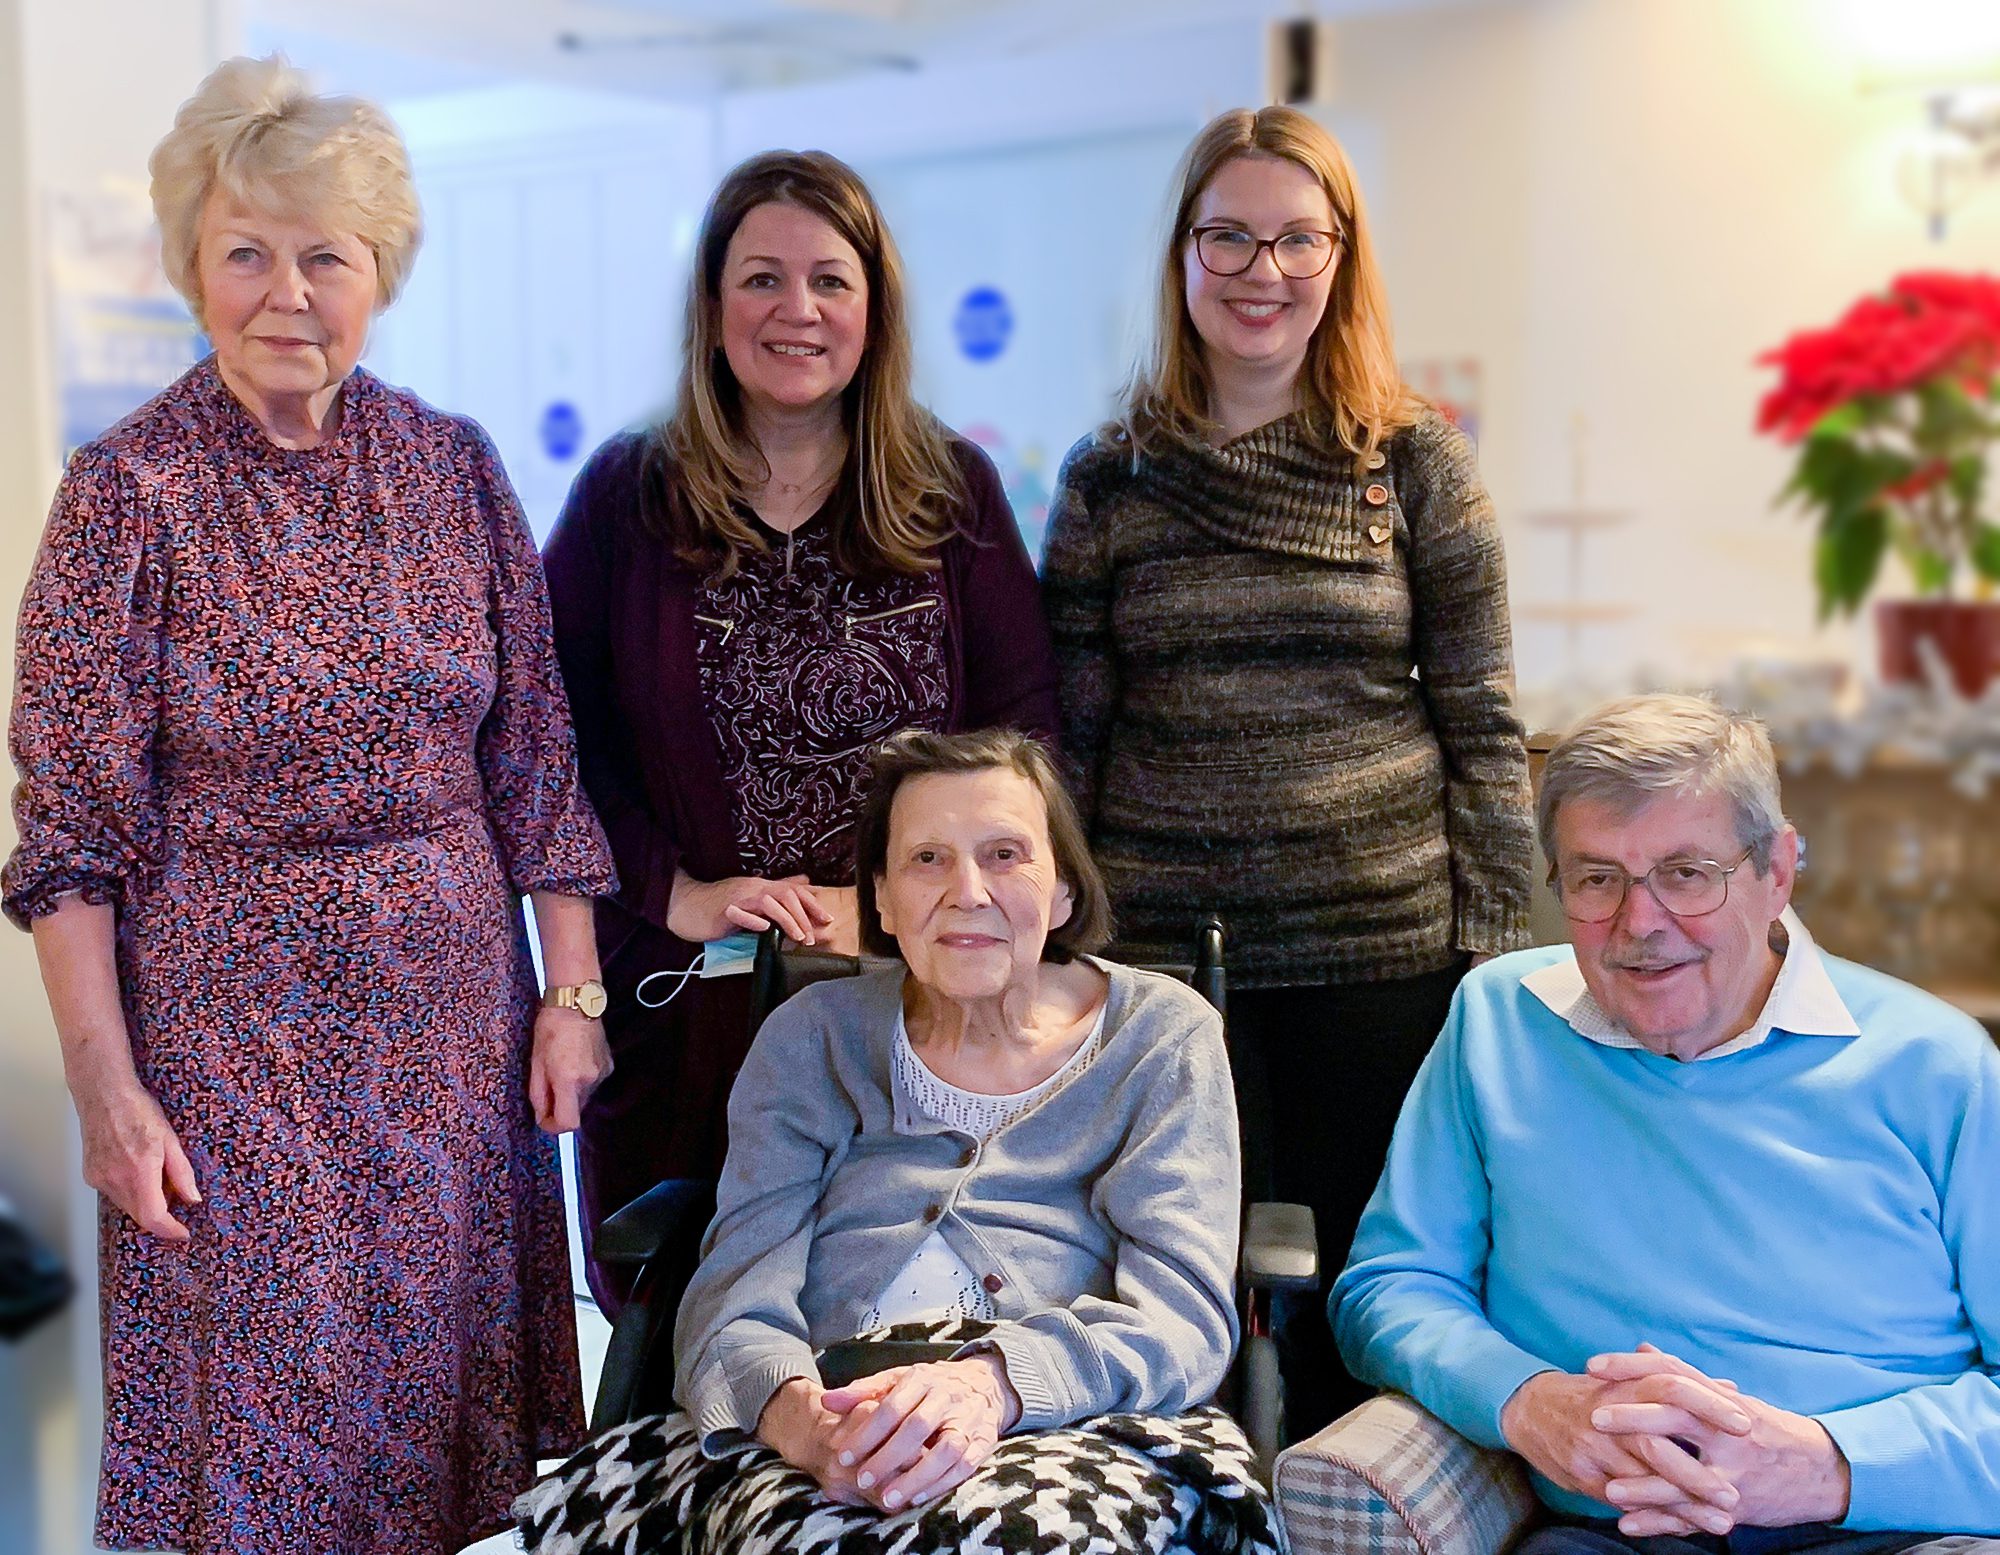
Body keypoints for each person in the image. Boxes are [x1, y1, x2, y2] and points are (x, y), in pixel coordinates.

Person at [3, 57, 619, 1555]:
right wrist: (106, 1088)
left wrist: (574, 991)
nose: (287, 291)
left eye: (325, 254)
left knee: (457, 1419)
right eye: (246, 251)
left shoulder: (458, 468)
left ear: (379, 274)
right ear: (193, 267)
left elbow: (535, 762)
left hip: (452, 1059)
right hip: (234, 1059)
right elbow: (69, 838)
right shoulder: (126, 493)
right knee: (265, 1438)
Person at [1040, 104, 1533, 1436]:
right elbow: (1072, 743)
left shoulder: (1419, 463)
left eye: (1297, 239)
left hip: (1385, 959)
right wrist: (1056, 943)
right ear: (1185, 256)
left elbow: (1483, 719)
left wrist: (1497, 953)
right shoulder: (1108, 477)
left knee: (1365, 1305)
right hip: (1165, 967)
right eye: (1231, 237)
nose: (1264, 271)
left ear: (1342, 257)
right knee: (1179, 1296)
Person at [516, 728, 1276, 1555]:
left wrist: (992, 1385)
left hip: (1077, 1418)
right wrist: (799, 1419)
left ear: (1062, 889)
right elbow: (734, 1289)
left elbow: (1183, 1316)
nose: (968, 890)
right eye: (926, 860)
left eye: (1006, 853)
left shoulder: (1162, 1035)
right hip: (833, 1414)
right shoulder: (811, 1038)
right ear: (878, 898)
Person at [543, 150, 1059, 1313]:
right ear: (713, 307)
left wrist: (891, 906)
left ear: (872, 308)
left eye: (829, 280)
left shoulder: (949, 492)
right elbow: (545, 743)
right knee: (691, 1354)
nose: (797, 311)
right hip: (690, 1010)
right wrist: (672, 889)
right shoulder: (627, 498)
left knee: (894, 1348)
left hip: (911, 1010)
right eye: (762, 279)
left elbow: (1024, 743)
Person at [1332, 693, 2000, 1549]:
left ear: (1778, 872)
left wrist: (1829, 1462)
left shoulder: (1936, 1064)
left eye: (1687, 873)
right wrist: (1529, 1399)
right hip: (1604, 1533)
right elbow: (1388, 1284)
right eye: (1595, 879)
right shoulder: (1498, 1020)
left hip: (1888, 1527)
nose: (1638, 924)